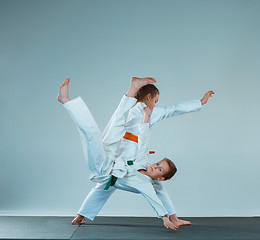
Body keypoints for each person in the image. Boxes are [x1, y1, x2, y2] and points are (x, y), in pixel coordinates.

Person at [58, 77, 214, 230]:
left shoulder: (130, 105)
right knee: (145, 183)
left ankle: (81, 215)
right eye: (155, 100)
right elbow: (172, 110)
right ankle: (172, 217)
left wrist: (198, 103)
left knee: (108, 184)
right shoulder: (150, 111)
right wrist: (200, 102)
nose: (155, 104)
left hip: (115, 149)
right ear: (148, 97)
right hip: (116, 157)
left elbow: (141, 141)